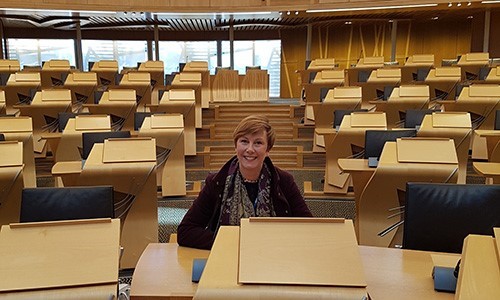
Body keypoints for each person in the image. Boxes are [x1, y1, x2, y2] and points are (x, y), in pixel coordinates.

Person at [177, 115, 313, 249]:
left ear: (267, 150)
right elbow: (186, 231)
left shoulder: (284, 181)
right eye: (244, 141)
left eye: (258, 143)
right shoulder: (217, 182)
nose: (250, 149)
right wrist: (232, 242)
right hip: (229, 257)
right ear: (235, 146)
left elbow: (309, 228)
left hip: (274, 257)